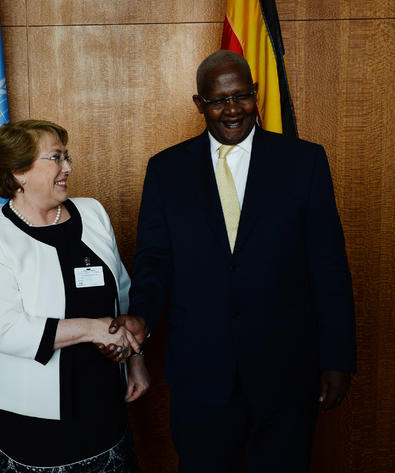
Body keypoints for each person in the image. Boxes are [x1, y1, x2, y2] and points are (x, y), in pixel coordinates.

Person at [104, 50, 356, 473]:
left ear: (255, 94)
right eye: (219, 100)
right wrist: (141, 316)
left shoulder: (304, 161)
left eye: (242, 96)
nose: (233, 109)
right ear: (199, 104)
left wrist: (338, 359)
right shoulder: (166, 170)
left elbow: (329, 267)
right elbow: (154, 262)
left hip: (286, 372)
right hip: (200, 374)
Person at [0, 119, 150, 473]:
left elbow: (123, 293)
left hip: (104, 402)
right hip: (34, 417)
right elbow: (4, 330)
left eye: (67, 157)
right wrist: (92, 328)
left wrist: (135, 358)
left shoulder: (92, 212)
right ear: (19, 172)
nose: (68, 167)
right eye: (55, 158)